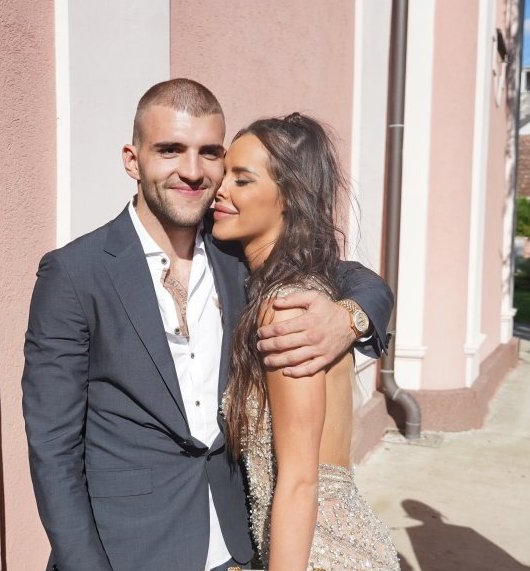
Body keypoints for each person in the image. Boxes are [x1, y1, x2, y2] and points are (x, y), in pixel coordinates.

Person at [21, 79, 393, 571]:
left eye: (210, 153)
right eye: (170, 150)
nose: (193, 171)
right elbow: (53, 448)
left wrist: (349, 317)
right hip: (128, 551)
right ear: (133, 160)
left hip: (238, 547)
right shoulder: (74, 273)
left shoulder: (238, 254)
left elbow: (351, 276)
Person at [216, 113, 400, 571]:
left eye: (242, 180)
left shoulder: (289, 309)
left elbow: (300, 481)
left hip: (320, 553)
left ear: (290, 197)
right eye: (224, 174)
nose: (220, 189)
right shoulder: (305, 291)